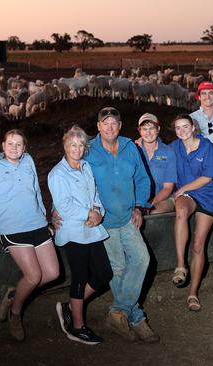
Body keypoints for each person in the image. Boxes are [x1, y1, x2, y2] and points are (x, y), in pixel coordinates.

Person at [54, 107, 159, 343]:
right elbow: (68, 173)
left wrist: (139, 206)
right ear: (99, 127)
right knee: (118, 268)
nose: (110, 127)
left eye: (114, 122)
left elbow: (143, 179)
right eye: (105, 123)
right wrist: (55, 210)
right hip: (103, 223)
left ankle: (119, 312)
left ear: (120, 126)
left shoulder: (129, 147)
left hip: (127, 218)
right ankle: (135, 317)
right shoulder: (89, 148)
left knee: (143, 259)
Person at [0, 129, 59, 341]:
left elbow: (36, 190)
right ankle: (15, 312)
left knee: (53, 273)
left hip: (36, 224)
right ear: (3, 144)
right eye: (10, 143)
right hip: (13, 228)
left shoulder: (28, 161)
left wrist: (44, 219)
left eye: (19, 144)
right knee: (34, 276)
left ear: (24, 147)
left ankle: (14, 294)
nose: (14, 147)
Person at [48, 125, 113, 345]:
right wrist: (89, 213)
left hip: (91, 228)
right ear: (65, 146)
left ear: (85, 148)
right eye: (72, 145)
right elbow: (64, 206)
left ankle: (70, 306)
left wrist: (99, 213)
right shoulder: (57, 173)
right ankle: (77, 327)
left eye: (81, 145)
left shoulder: (86, 167)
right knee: (80, 276)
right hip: (73, 231)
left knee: (104, 273)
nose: (77, 149)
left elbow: (95, 194)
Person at [169, 114, 213, 311]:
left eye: (186, 126)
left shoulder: (207, 147)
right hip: (190, 194)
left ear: (193, 127)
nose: (182, 131)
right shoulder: (174, 147)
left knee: (198, 245)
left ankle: (193, 293)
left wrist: (182, 189)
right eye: (178, 128)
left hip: (210, 194)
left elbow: (208, 178)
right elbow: (157, 154)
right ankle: (180, 265)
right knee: (181, 210)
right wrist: (141, 143)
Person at [135, 112, 177, 214]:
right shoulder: (133, 150)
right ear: (139, 131)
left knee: (155, 212)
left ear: (158, 129)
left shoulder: (168, 152)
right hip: (139, 199)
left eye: (151, 128)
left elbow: (168, 188)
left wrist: (150, 204)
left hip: (163, 197)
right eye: (144, 129)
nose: (148, 133)